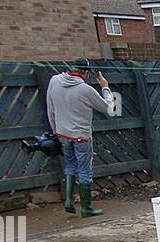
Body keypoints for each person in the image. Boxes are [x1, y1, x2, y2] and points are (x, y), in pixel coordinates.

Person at [45, 67, 113, 216]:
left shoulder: (54, 81)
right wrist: (105, 87)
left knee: (70, 165)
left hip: (63, 134)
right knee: (84, 170)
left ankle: (69, 200)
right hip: (81, 136)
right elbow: (107, 107)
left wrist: (56, 130)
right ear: (86, 73)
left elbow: (50, 108)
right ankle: (86, 208)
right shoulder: (85, 89)